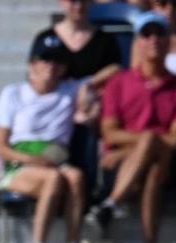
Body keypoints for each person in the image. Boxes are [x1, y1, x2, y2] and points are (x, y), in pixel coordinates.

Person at [95, 12, 176, 243]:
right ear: (137, 42)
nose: (153, 40)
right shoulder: (119, 83)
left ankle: (110, 204)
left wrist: (137, 145)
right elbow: (109, 133)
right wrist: (145, 145)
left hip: (164, 163)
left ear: (168, 41)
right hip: (137, 165)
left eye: (159, 34)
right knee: (151, 166)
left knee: (153, 146)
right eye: (146, 34)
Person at [0, 33, 91, 243]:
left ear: (64, 68)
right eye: (44, 59)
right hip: (20, 162)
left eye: (56, 61)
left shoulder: (70, 90)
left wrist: (88, 101)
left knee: (76, 177)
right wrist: (32, 159)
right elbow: (1, 147)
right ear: (32, 64)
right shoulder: (13, 93)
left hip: (56, 157)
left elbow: (109, 74)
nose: (50, 66)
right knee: (53, 179)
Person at [34, 0, 123, 192]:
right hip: (55, 105)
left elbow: (116, 68)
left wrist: (89, 85)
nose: (78, 6)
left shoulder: (104, 39)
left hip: (91, 104)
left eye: (83, 1)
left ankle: (90, 189)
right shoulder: (46, 37)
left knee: (90, 119)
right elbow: (35, 75)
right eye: (73, 1)